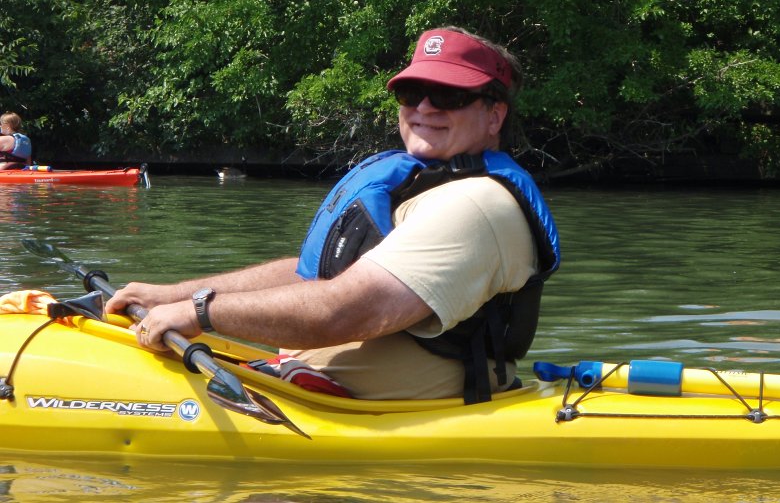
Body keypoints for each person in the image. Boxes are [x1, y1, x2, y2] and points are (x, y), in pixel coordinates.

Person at [106, 27, 560, 402]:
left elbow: (346, 309)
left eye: (448, 95)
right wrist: (174, 295)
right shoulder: (427, 186)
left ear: (494, 115)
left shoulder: (477, 205)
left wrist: (201, 313)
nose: (423, 108)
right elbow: (317, 277)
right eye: (412, 91)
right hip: (305, 389)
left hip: (372, 421)